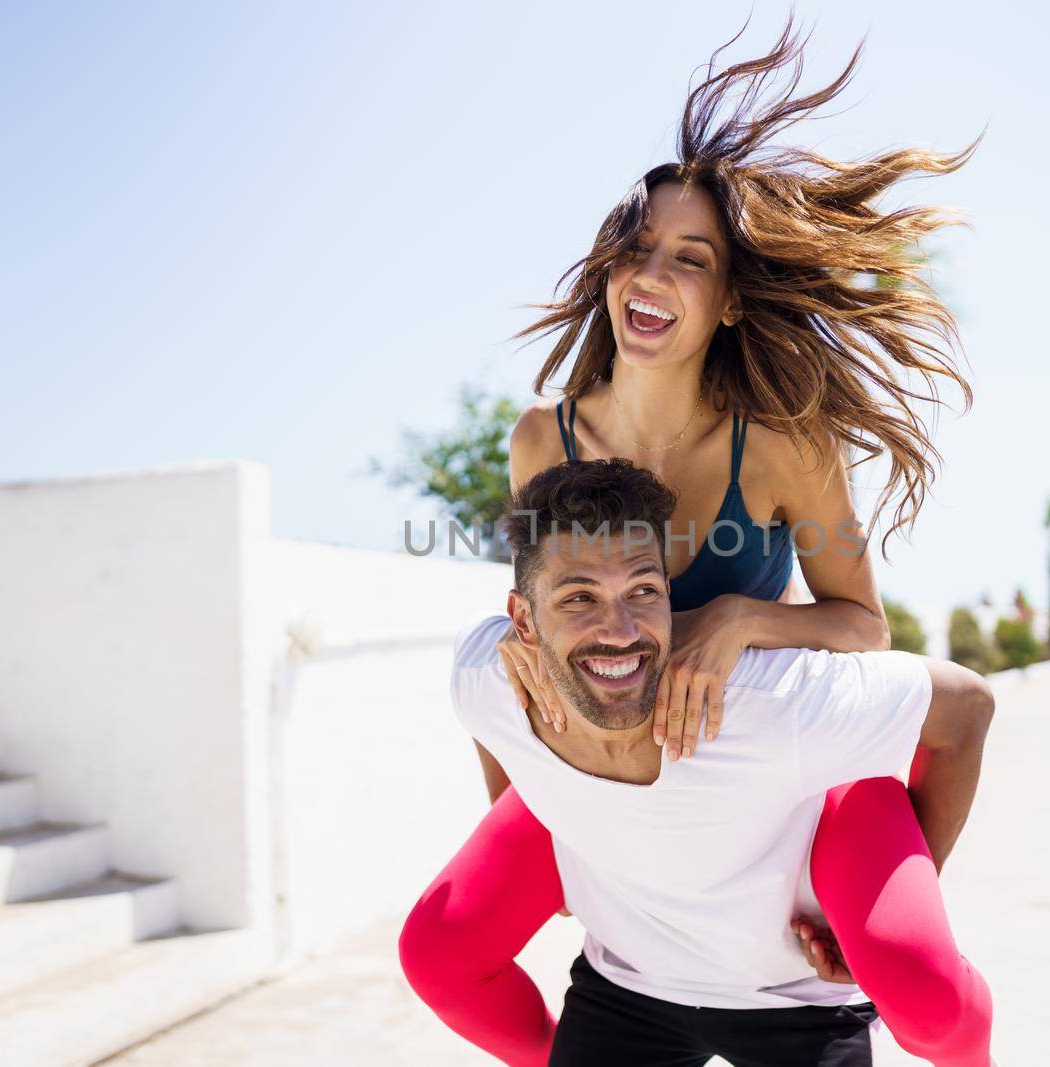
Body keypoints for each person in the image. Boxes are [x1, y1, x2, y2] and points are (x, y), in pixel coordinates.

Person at [402, 16, 995, 1066]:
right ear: (605, 271)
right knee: (441, 947)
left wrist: (735, 618)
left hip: (778, 753)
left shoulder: (777, 445)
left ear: (724, 301)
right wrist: (575, 825)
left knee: (919, 983)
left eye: (689, 259)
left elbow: (863, 624)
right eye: (636, 250)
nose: (653, 276)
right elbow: (534, 647)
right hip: (624, 764)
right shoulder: (546, 435)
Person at [402, 458, 994, 1066]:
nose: (619, 629)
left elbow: (967, 707)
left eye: (643, 591)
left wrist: (898, 893)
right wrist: (556, 818)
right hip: (627, 990)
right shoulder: (490, 672)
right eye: (579, 597)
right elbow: (487, 715)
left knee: (928, 1001)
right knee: (434, 952)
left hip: (796, 999)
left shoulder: (771, 704)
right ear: (522, 620)